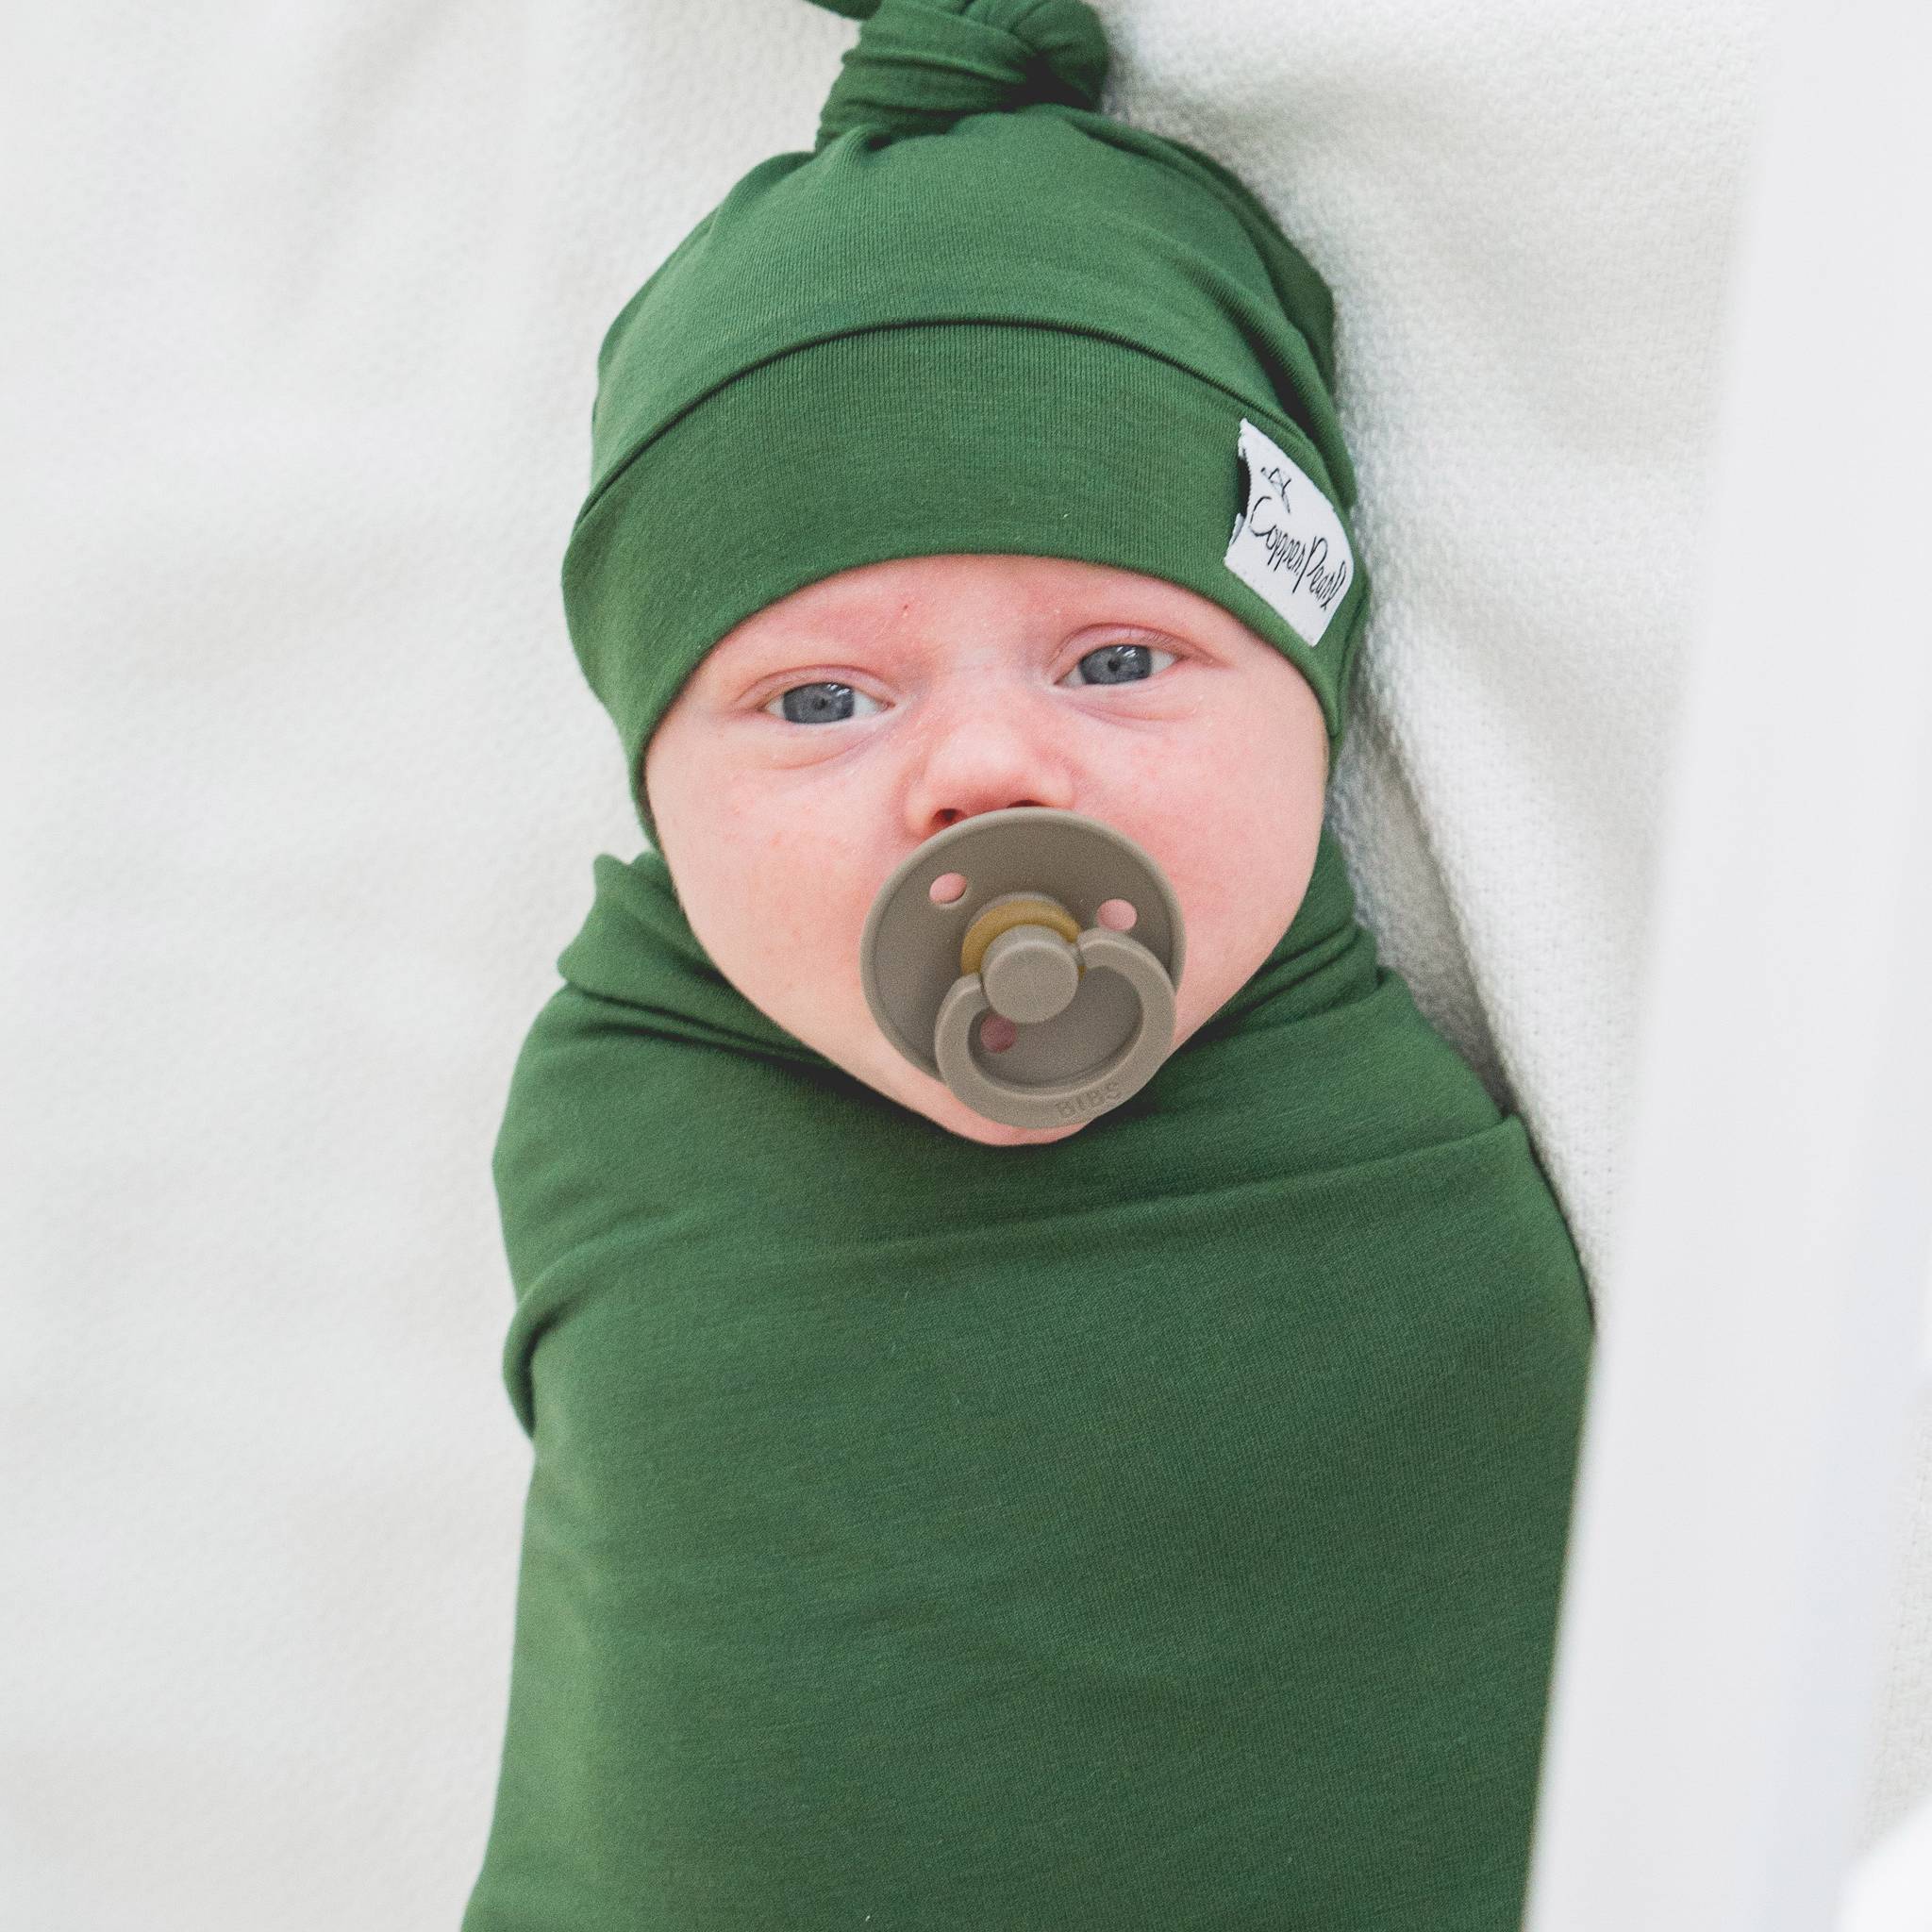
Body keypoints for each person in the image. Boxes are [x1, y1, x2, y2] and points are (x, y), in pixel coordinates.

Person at [463, 3, 1596, 1924]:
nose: (987, 770)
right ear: (655, 784)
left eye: (1116, 661)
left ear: (1316, 706)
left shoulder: (1394, 1162)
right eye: (822, 699)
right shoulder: (628, 1134)